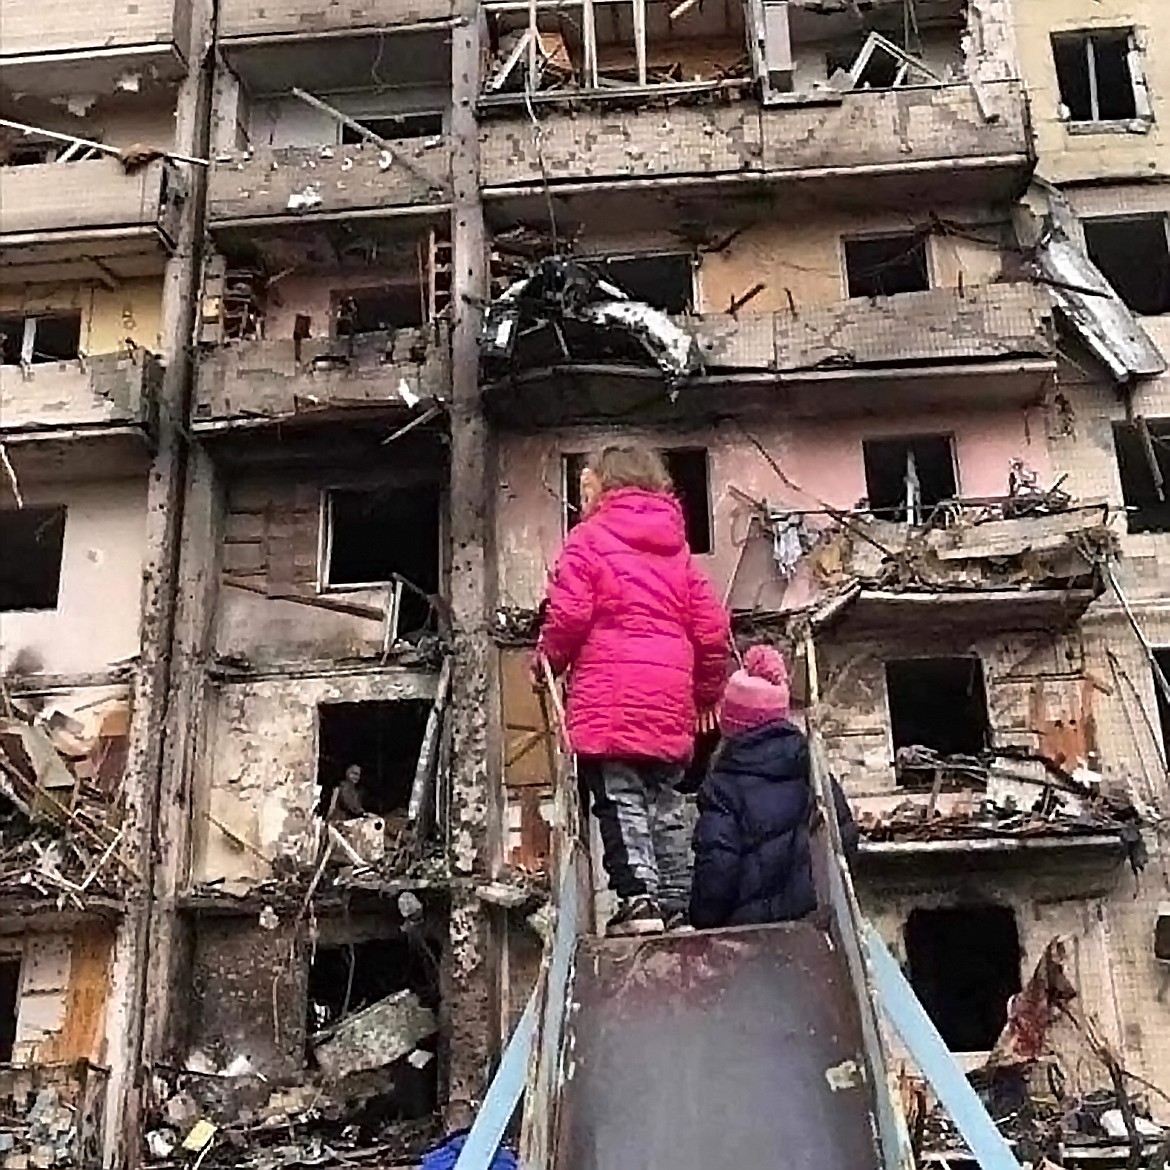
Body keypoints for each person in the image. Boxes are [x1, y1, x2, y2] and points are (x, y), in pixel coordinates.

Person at [535, 442, 730, 936]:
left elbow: (569, 616)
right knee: (665, 803)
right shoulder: (680, 553)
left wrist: (548, 661)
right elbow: (711, 632)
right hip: (669, 701)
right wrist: (705, 695)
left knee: (619, 798)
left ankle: (639, 900)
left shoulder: (588, 540)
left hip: (610, 697)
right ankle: (678, 907)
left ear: (600, 485)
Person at [689, 644, 859, 930]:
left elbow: (718, 867)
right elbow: (846, 840)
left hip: (751, 938)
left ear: (730, 722)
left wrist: (702, 921)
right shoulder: (813, 769)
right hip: (815, 928)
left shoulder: (723, 786)